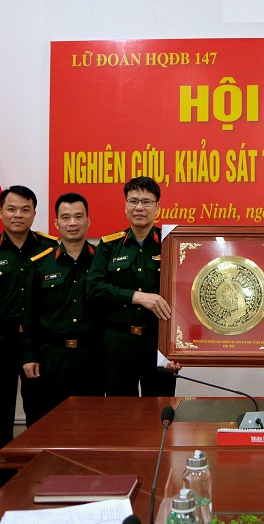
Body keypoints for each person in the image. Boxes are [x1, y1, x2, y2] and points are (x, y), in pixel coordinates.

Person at [0, 185, 57, 492]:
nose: (18, 215)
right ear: (0, 212)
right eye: (12, 209)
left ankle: (40, 474)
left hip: (38, 345)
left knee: (40, 412)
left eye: (25, 209)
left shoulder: (49, 248)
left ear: (34, 213)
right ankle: (0, 479)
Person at [87, 176, 178, 396]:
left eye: (146, 202)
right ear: (125, 206)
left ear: (157, 207)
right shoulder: (108, 246)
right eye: (133, 201)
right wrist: (136, 297)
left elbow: (185, 294)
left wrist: (179, 349)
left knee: (159, 408)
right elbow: (94, 288)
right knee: (120, 410)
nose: (139, 207)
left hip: (159, 343)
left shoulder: (172, 243)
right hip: (117, 343)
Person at [23, 192, 103, 425]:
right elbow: (30, 313)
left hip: (92, 356)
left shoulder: (101, 261)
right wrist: (30, 355)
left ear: (88, 221)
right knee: (49, 423)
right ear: (56, 223)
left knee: (92, 423)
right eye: (66, 217)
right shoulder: (41, 263)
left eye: (78, 216)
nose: (72, 223)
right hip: (52, 357)